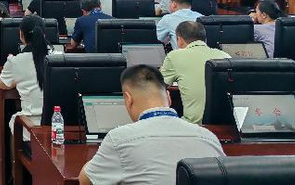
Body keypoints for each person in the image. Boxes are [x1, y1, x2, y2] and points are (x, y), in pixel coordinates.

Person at [79, 64, 225, 185]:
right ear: (168, 97)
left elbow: (86, 181)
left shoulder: (119, 139)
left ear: (128, 99)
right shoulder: (208, 137)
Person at [161, 21, 231, 124]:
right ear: (205, 39)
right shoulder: (225, 56)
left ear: (179, 40)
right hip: (225, 124)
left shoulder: (174, 56)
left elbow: (158, 86)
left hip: (193, 125)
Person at [0, 15, 47, 144]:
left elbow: (2, 84)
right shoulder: (57, 59)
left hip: (29, 129)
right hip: (57, 129)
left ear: (21, 35)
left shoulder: (16, 61)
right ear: (44, 35)